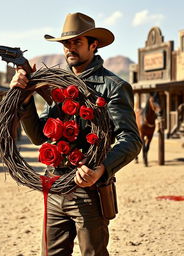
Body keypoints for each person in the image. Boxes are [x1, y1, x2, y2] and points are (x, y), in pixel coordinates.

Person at [10, 12, 142, 256]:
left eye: (77, 42)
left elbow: (131, 140)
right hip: (55, 186)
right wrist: (25, 99)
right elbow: (40, 137)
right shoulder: (59, 85)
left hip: (88, 189)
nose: (70, 48)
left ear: (93, 45)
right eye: (66, 43)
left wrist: (102, 169)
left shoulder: (113, 86)